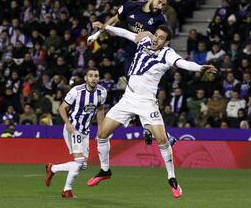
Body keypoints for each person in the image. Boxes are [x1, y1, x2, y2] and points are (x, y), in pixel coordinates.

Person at [86, 23, 217, 198]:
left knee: (162, 139)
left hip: (147, 102)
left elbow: (183, 63)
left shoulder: (167, 54)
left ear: (167, 42)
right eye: (156, 34)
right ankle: (105, 170)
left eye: (161, 38)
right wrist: (106, 27)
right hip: (128, 98)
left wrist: (200, 67)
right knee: (101, 134)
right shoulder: (145, 40)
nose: (156, 38)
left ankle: (172, 178)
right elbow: (125, 33)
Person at [88, 0, 174, 145]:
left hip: (146, 59)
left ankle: (151, 128)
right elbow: (114, 20)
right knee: (134, 90)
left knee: (143, 91)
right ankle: (149, 127)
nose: (161, 6)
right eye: (160, 2)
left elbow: (164, 40)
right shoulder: (130, 7)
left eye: (164, 4)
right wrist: (96, 35)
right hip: (130, 56)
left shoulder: (160, 20)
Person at [45, 68, 107, 198]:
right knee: (79, 161)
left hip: (85, 131)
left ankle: (53, 169)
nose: (93, 78)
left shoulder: (102, 92)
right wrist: (67, 123)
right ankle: (67, 190)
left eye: (96, 76)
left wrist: (101, 128)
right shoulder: (76, 91)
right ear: (86, 78)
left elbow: (100, 109)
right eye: (90, 76)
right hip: (73, 128)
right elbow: (62, 108)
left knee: (82, 165)